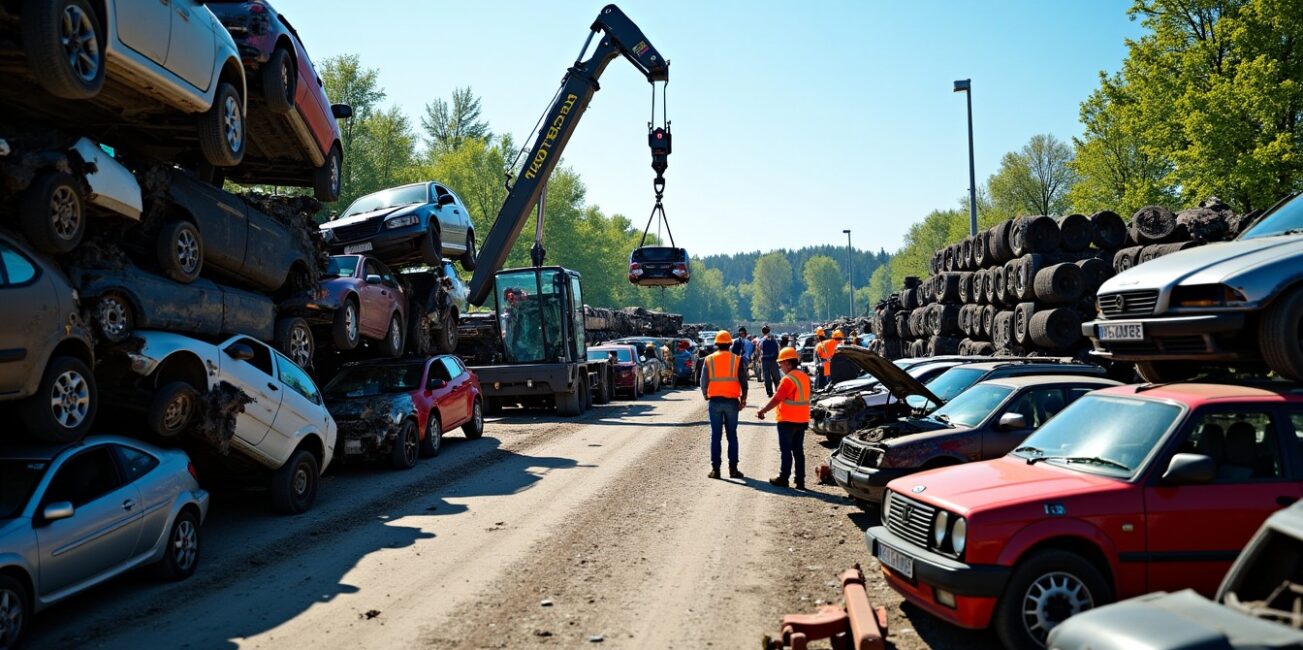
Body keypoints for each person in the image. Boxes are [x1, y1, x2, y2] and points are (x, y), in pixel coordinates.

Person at [756, 346, 811, 489]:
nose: (779, 366)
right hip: (802, 419)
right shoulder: (804, 377)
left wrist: (762, 411)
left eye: (781, 363)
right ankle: (800, 481)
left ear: (788, 363)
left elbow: (777, 399)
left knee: (786, 450)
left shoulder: (788, 379)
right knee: (798, 451)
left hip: (788, 420)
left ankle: (783, 477)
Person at [701, 330, 747, 479]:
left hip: (715, 402)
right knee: (732, 435)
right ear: (729, 344)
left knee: (716, 436)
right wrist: (743, 400)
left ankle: (716, 470)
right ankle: (733, 470)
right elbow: (743, 382)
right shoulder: (737, 359)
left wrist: (705, 395)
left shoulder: (708, 360)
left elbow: (703, 382)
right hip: (732, 402)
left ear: (716, 344)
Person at [759, 326, 780, 398]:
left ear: (762, 332)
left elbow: (759, 349)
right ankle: (778, 390)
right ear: (769, 331)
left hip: (764, 360)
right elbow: (777, 348)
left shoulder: (761, 340)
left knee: (766, 377)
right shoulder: (773, 339)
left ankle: (769, 392)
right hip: (773, 360)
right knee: (776, 376)